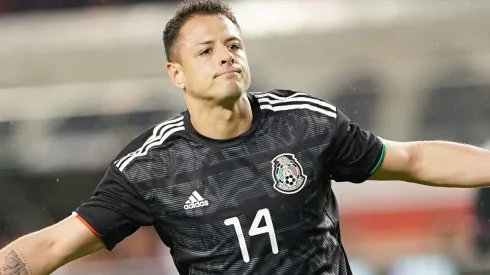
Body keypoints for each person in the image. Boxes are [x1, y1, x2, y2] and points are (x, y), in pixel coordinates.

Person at [1, 0, 490, 274]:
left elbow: (413, 159)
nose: (226, 56)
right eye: (207, 50)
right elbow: (53, 246)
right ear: (177, 73)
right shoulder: (149, 167)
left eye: (234, 45)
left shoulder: (304, 123)